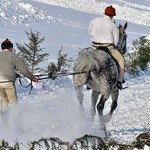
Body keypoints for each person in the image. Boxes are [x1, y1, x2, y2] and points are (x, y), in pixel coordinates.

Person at [88, 5, 125, 90]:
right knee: (121, 60)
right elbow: (116, 40)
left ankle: (89, 79)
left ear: (105, 12)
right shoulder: (113, 25)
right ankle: (119, 81)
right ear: (112, 15)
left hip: (94, 47)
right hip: (108, 48)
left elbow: (89, 32)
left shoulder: (94, 20)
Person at [0, 39, 38, 115]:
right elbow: (23, 70)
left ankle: (4, 123)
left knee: (4, 102)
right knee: (13, 104)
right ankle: (16, 124)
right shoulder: (12, 55)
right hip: (8, 83)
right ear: (10, 48)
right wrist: (32, 77)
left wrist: (14, 74)